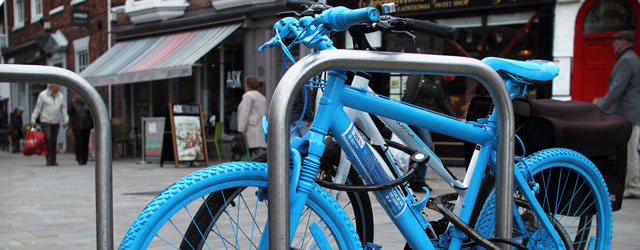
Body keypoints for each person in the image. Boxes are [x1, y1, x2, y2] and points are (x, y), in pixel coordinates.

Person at [597, 30, 640, 199]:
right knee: (630, 149)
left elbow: (618, 87)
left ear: (625, 42)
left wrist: (600, 108)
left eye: (616, 41)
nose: (614, 44)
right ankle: (632, 184)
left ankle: (634, 186)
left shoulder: (627, 60)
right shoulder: (633, 59)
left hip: (628, 113)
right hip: (630, 111)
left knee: (629, 151)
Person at [402, 74, 455, 191]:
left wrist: (455, 119)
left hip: (428, 118)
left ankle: (414, 179)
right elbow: (409, 96)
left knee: (421, 147)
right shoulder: (417, 76)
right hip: (415, 116)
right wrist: (403, 117)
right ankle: (417, 180)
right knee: (426, 145)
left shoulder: (435, 80)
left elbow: (442, 101)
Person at [31, 84, 68, 166]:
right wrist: (33, 119)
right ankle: (48, 159)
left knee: (54, 140)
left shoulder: (60, 96)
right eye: (57, 86)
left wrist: (65, 120)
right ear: (51, 87)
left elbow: (63, 108)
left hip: (55, 121)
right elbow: (38, 108)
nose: (58, 87)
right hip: (45, 120)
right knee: (48, 138)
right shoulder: (43, 95)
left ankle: (53, 160)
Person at [237, 76, 268, 158]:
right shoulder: (262, 97)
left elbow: (245, 113)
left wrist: (241, 129)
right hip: (260, 126)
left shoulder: (248, 96)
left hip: (252, 127)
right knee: (259, 149)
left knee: (254, 150)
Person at [68, 96, 93, 165]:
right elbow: (70, 113)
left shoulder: (88, 102)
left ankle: (85, 159)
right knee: (79, 142)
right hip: (77, 125)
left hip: (87, 125)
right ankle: (79, 158)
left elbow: (91, 113)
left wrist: (91, 123)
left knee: (85, 142)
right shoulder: (73, 102)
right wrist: (70, 124)